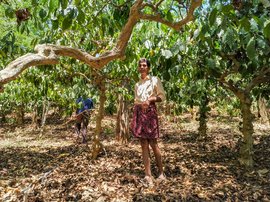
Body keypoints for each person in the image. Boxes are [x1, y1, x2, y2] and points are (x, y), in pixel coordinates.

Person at [131, 58, 166, 185]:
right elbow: (136, 101)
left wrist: (151, 99)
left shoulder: (155, 80)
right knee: (143, 144)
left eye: (144, 65)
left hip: (150, 112)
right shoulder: (137, 84)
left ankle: (161, 173)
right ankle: (148, 175)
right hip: (140, 112)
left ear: (149, 68)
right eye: (140, 65)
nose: (142, 67)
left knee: (153, 143)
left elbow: (162, 96)